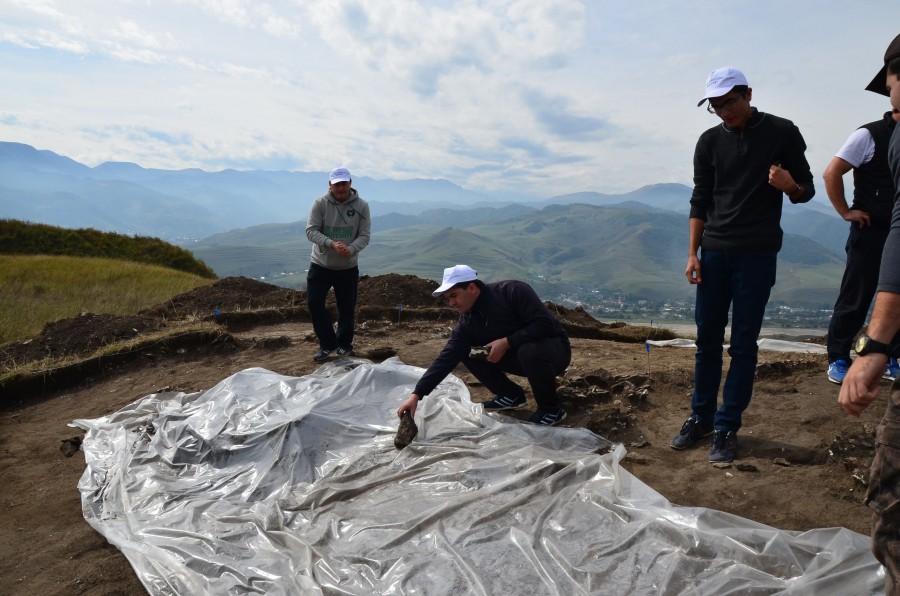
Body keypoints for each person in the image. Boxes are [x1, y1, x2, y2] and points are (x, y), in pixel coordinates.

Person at [671, 67, 816, 463]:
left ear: (748, 94)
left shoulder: (782, 131)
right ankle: (700, 418)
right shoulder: (708, 142)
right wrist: (692, 253)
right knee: (706, 343)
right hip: (714, 252)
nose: (724, 112)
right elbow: (700, 200)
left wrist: (790, 186)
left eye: (729, 102)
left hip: (756, 253)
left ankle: (726, 426)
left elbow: (806, 189)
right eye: (716, 106)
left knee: (743, 345)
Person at [839, 32, 900, 595]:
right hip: (870, 236)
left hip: (884, 246)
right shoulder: (875, 135)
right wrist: (849, 213)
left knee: (893, 499)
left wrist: (875, 347)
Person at [395, 264, 571, 426]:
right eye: (448, 298)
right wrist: (417, 395)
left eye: (454, 296)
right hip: (518, 356)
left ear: (472, 288)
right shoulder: (468, 321)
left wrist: (507, 342)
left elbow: (544, 324)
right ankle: (511, 395)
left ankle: (552, 409)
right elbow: (447, 356)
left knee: (529, 351)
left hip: (553, 352)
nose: (451, 303)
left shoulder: (512, 291)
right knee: (465, 351)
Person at [824, 111, 899, 385]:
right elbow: (832, 172)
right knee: (856, 294)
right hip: (871, 229)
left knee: (897, 295)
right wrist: (846, 212)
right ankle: (838, 357)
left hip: (898, 229)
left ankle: (890, 355)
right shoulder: (869, 134)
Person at [305, 167, 370, 361]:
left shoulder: (362, 206)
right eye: (337, 184)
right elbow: (311, 231)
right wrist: (331, 243)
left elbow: (364, 235)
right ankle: (327, 343)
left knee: (347, 308)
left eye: (344, 184)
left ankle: (344, 345)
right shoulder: (320, 203)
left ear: (350, 183)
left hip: (347, 267)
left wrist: (350, 249)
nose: (340, 188)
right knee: (314, 303)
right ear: (330, 185)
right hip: (320, 264)